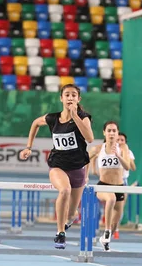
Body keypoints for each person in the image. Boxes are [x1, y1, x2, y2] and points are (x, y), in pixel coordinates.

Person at [19, 84, 94, 249]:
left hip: (78, 169)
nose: (70, 98)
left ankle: (68, 220)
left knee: (72, 213)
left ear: (78, 99)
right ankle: (60, 233)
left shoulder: (84, 117)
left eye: (74, 95)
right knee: (64, 190)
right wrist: (28, 147)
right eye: (67, 95)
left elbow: (89, 138)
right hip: (58, 165)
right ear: (61, 98)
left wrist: (75, 116)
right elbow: (35, 123)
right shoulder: (53, 118)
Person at [86, 121, 132, 251]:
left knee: (116, 219)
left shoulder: (123, 148)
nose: (111, 133)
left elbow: (127, 166)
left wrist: (118, 156)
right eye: (109, 130)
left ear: (117, 134)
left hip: (119, 186)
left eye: (114, 131)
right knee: (110, 199)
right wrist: (85, 176)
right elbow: (84, 160)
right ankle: (106, 231)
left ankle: (106, 237)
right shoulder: (98, 148)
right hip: (103, 185)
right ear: (104, 133)